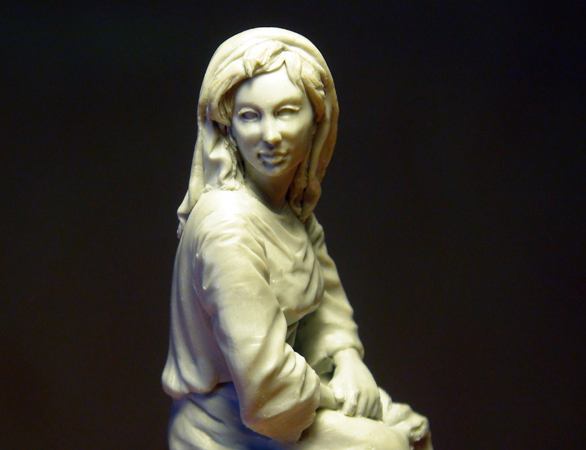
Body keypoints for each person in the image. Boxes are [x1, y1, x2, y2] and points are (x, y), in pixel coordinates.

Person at [162, 28, 432, 450]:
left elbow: (326, 307)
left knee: (411, 429)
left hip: (294, 395)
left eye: (286, 113)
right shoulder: (227, 228)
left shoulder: (291, 211)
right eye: (250, 116)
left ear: (317, 121)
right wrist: (337, 396)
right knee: (386, 445)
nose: (270, 135)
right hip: (232, 422)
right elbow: (266, 387)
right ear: (227, 126)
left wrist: (346, 359)